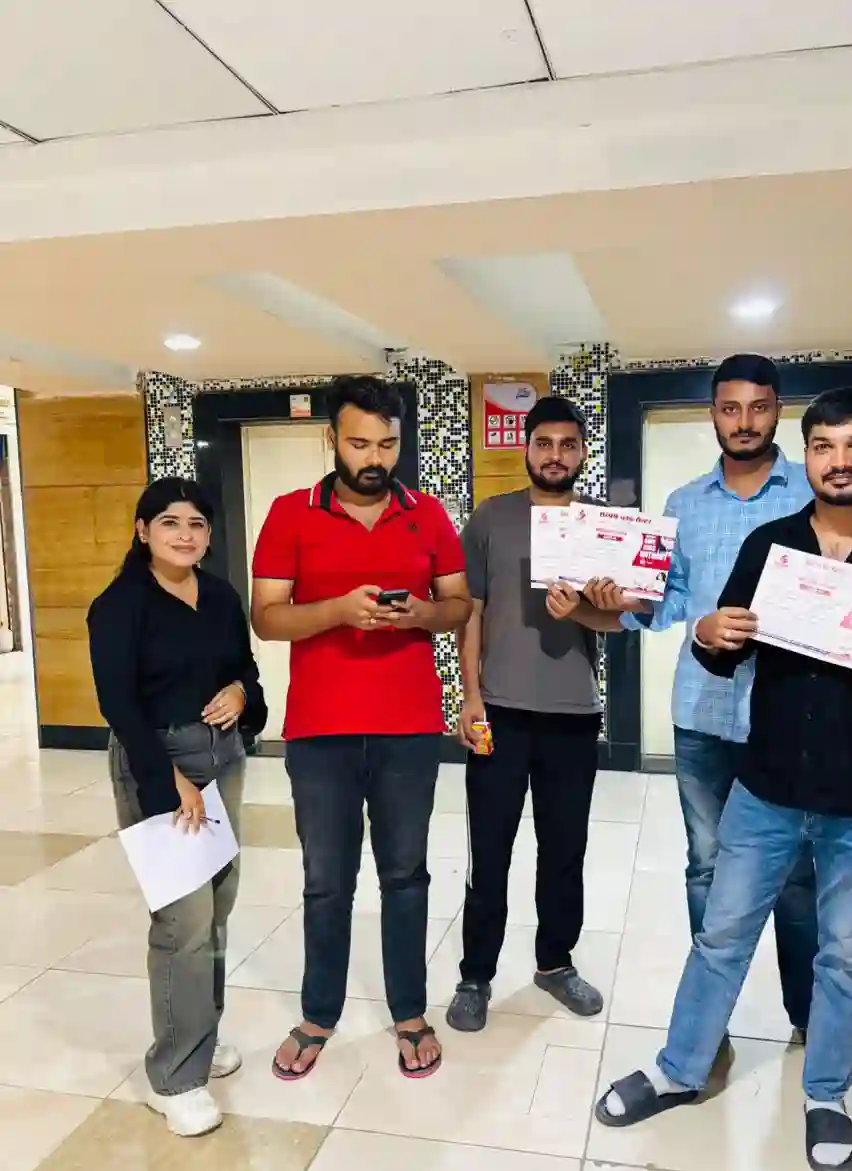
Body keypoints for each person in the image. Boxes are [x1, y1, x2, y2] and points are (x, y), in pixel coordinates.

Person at [594, 387, 852, 1171]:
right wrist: (708, 632)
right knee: (722, 936)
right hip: (764, 788)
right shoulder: (772, 543)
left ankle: (825, 1093)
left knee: (845, 955)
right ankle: (680, 1069)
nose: (840, 462)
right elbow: (725, 649)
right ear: (809, 455)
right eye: (825, 446)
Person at [585, 354, 818, 1041]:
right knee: (707, 868)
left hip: (791, 718)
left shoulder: (813, 496)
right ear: (713, 413)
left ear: (778, 411)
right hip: (704, 717)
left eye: (758, 407)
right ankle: (707, 1023)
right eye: (730, 408)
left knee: (797, 876)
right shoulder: (683, 504)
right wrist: (617, 601)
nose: (744, 422)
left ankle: (809, 1019)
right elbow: (666, 603)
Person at [251, 374, 471, 1081]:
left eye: (387, 444)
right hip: (320, 732)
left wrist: (420, 615)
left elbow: (459, 605)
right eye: (359, 443)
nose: (374, 457)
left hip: (409, 726)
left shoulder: (427, 514)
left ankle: (409, 1011)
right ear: (331, 439)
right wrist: (338, 611)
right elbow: (267, 617)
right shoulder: (290, 513)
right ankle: (320, 1014)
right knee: (326, 880)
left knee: (405, 875)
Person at [87, 477, 267, 1137]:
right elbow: (119, 705)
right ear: (142, 531)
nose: (185, 535)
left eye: (196, 524)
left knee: (217, 906)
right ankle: (175, 1076)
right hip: (159, 761)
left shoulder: (218, 595)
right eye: (169, 523)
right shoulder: (119, 605)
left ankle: (200, 1033)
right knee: (183, 920)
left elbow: (245, 669)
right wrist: (169, 785)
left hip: (224, 756)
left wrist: (242, 695)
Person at [446, 395, 616, 1033]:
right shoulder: (491, 518)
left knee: (565, 850)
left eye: (567, 445)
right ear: (526, 447)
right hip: (500, 712)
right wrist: (470, 696)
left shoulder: (601, 524)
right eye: (544, 443)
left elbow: (618, 622)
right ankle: (475, 975)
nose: (555, 456)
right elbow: (470, 613)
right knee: (489, 852)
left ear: (582, 452)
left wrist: (587, 609)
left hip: (573, 713)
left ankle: (555, 962)